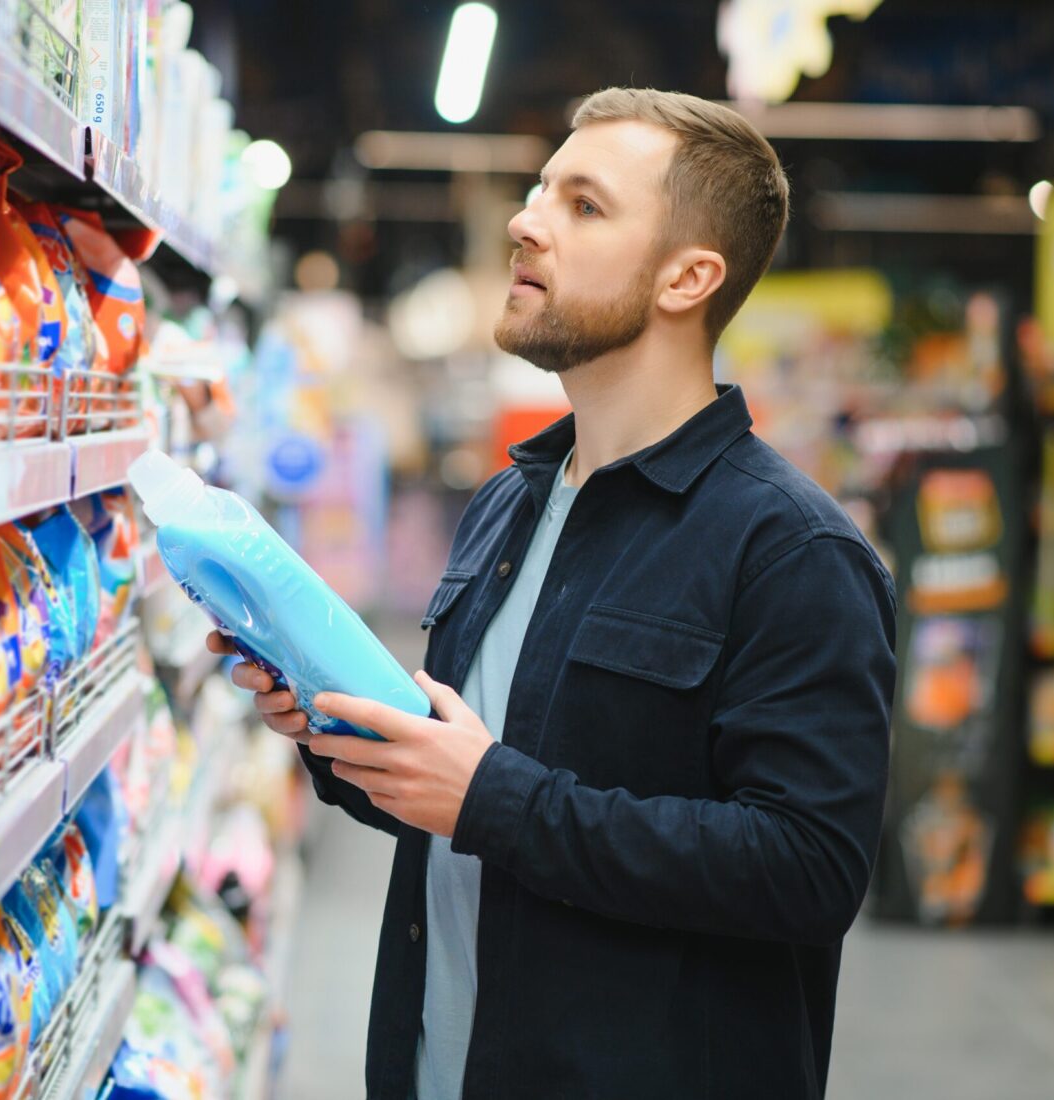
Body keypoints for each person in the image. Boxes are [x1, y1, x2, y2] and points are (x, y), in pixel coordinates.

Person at [210, 87, 896, 1099]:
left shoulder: (793, 552)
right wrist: (340, 735)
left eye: (583, 205)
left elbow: (805, 869)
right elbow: (466, 789)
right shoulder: (511, 504)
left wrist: (494, 796)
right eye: (539, 191)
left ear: (688, 276)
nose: (526, 222)